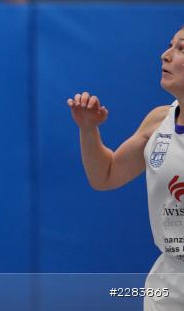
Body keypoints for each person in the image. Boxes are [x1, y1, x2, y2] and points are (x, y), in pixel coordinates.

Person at [69, 26, 184, 310]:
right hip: (168, 285)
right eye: (169, 45)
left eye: (181, 49)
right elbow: (105, 175)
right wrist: (88, 129)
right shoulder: (159, 121)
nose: (165, 55)